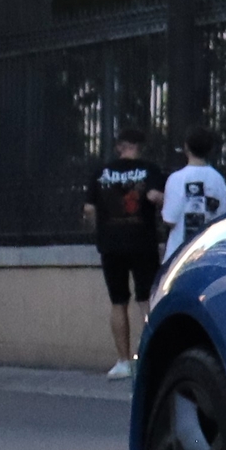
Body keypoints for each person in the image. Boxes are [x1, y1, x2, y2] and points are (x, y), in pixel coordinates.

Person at [83, 126, 165, 379]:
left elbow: (88, 209)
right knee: (146, 300)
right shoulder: (150, 169)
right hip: (142, 242)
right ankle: (155, 358)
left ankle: (123, 361)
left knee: (118, 302)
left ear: (120, 146)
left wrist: (100, 228)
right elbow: (156, 197)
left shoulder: (101, 173)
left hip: (111, 244)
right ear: (140, 146)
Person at [160, 126, 226, 267]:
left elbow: (170, 219)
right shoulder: (218, 179)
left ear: (186, 147)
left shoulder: (176, 178)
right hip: (209, 252)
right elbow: (223, 217)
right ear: (210, 149)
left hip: (179, 253)